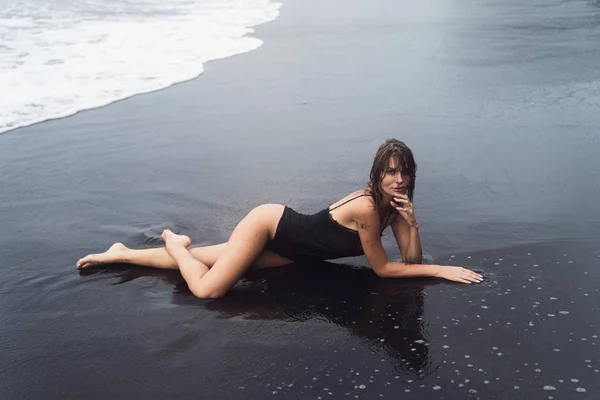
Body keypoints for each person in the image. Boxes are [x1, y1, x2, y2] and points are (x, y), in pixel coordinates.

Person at [76, 139, 483, 298]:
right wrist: (442, 269)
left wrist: (412, 223)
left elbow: (411, 262)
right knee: (207, 291)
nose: (397, 179)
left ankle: (121, 253)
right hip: (271, 226)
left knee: (208, 259)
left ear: (410, 175)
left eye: (403, 171)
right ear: (377, 174)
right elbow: (382, 269)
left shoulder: (395, 208)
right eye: (389, 171)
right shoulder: (366, 207)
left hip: (295, 252)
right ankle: (174, 244)